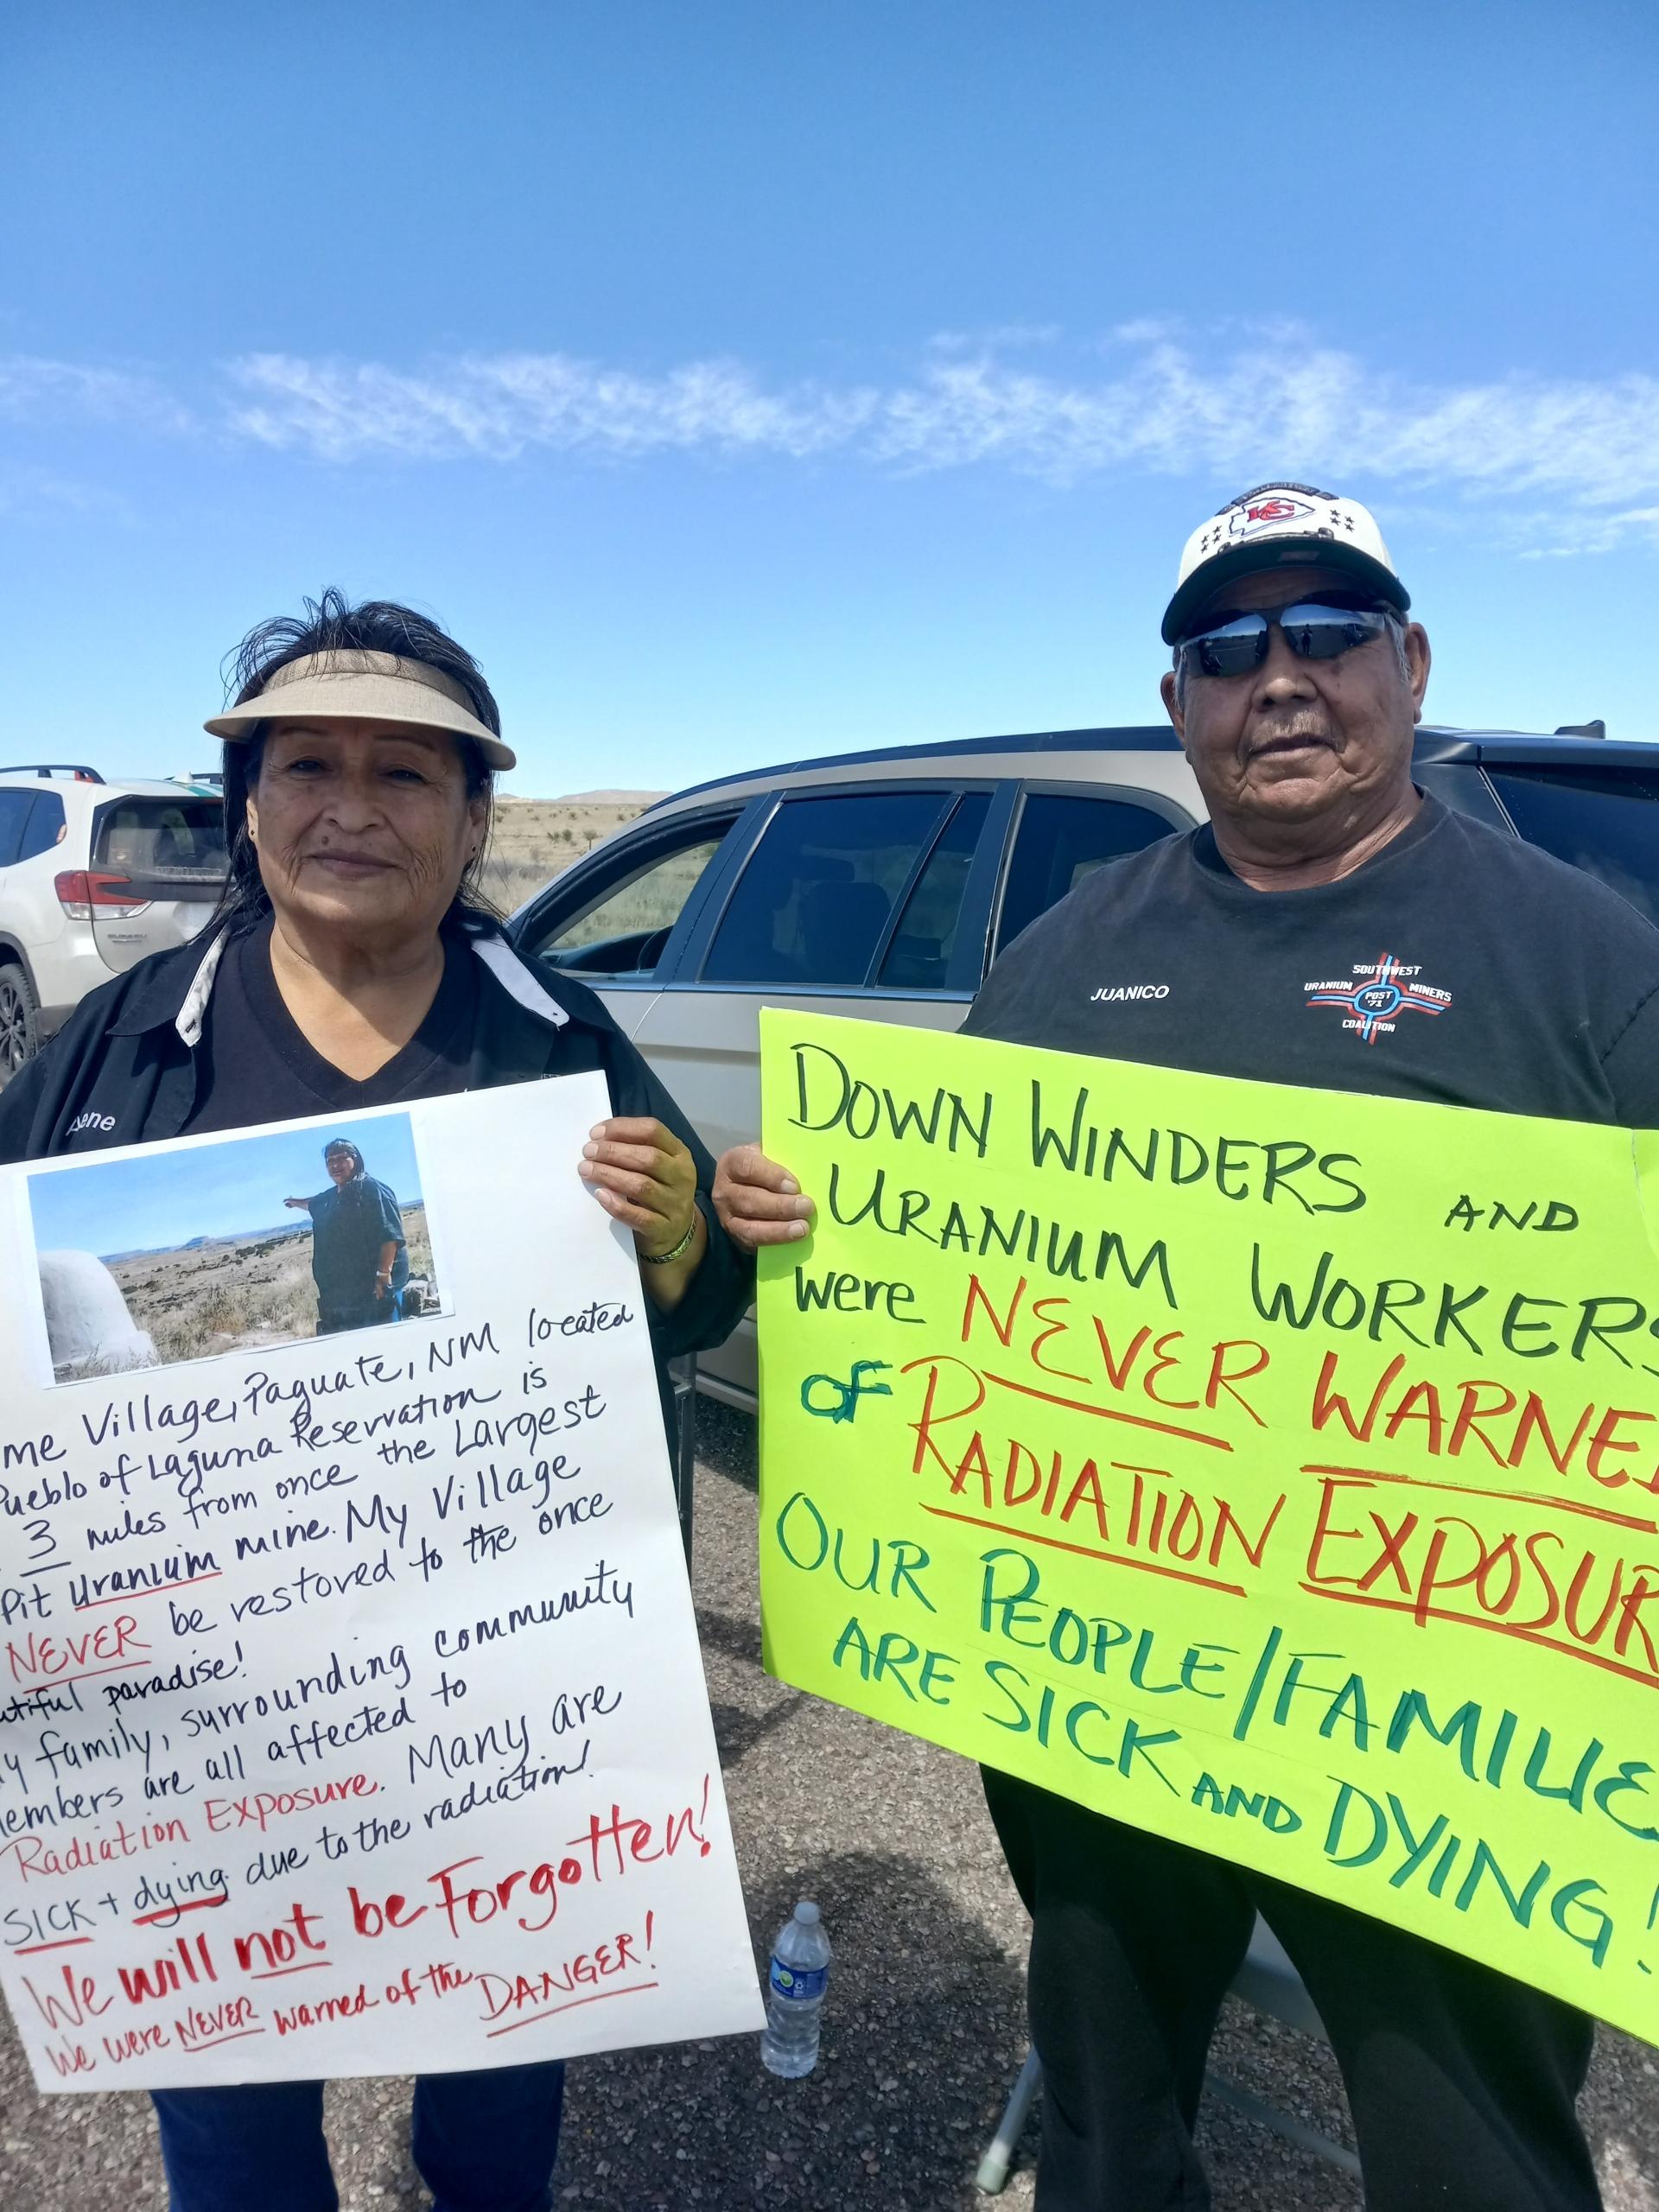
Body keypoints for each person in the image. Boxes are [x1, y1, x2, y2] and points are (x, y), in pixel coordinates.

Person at [713, 482, 1659, 2212]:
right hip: (1107, 1688)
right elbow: (957, 1261)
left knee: (1477, 2161)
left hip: (1442, 1725)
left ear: (1412, 662)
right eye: (1227, 645)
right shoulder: (1075, 951)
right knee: (1110, 2123)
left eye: (1329, 631)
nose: (1279, 677)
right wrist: (815, 1220)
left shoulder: (1587, 958)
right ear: (1180, 703)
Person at [0, 591, 753, 2212]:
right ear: (247, 804)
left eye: (406, 776)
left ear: (475, 814)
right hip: (201, 1728)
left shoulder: (557, 1037)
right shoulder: (120, 1053)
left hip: (494, 1706)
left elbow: (693, 1301)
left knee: (497, 2080)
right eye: (309, 766)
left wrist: (690, 1245)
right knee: (230, 2100)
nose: (352, 807)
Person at [285, 1136, 410, 1331]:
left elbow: (390, 1236)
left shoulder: (371, 1189)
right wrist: (295, 1202)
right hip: (347, 1292)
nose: (335, 1165)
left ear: (356, 1160)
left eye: (341, 1158)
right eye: (330, 1161)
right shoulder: (332, 1196)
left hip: (376, 1289)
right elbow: (314, 1203)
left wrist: (382, 1276)